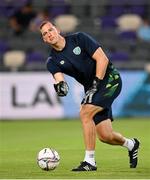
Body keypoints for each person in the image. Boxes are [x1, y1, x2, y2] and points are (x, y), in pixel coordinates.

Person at [39, 21, 140, 171]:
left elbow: (102, 59)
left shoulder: (79, 38)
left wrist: (95, 84)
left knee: (85, 112)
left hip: (109, 79)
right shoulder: (52, 61)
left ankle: (90, 162)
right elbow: (59, 79)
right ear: (45, 40)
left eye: (51, 30)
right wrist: (61, 87)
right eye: (45, 34)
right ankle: (131, 144)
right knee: (106, 136)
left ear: (58, 30)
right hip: (93, 89)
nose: (49, 34)